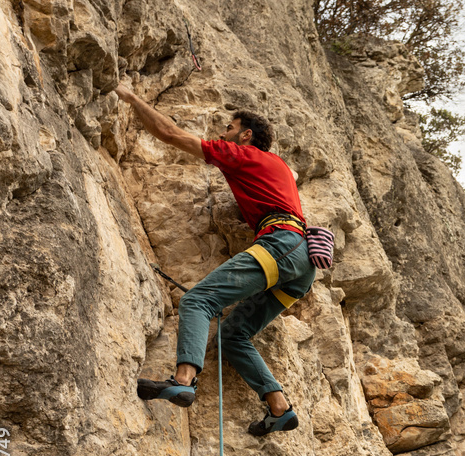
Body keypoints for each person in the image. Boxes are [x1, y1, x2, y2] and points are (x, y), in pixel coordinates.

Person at [115, 84, 315, 436]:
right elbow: (295, 177)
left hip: (281, 243)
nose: (223, 135)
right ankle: (278, 408)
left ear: (246, 135)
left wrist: (131, 98)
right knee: (234, 336)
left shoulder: (242, 154)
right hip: (302, 266)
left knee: (198, 300)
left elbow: (170, 133)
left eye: (229, 128)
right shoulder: (281, 167)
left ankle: (183, 381)